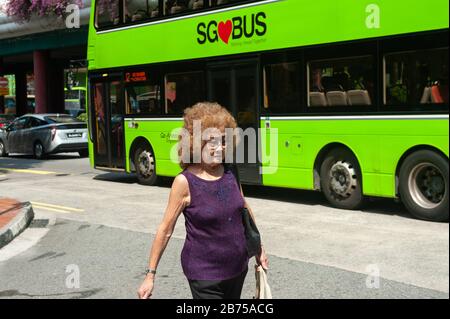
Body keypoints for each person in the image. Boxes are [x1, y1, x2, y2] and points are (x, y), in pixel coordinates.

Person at [137, 102, 268, 299]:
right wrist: (150, 275)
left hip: (238, 269)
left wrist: (259, 249)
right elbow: (165, 229)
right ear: (196, 143)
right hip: (205, 275)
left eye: (224, 141)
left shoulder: (231, 171)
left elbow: (243, 208)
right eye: (212, 141)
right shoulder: (184, 182)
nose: (219, 147)